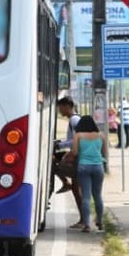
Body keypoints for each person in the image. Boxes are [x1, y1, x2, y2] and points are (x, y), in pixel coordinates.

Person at [70, 115, 108, 232]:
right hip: (98, 167)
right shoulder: (101, 136)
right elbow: (104, 153)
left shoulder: (78, 136)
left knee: (86, 196)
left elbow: (75, 152)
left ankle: (86, 224)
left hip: (83, 167)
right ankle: (100, 221)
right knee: (97, 195)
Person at [54, 96, 85, 225]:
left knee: (77, 190)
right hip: (77, 155)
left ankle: (84, 220)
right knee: (76, 190)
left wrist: (60, 146)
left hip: (79, 156)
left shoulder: (74, 120)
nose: (59, 110)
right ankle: (84, 219)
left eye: (60, 107)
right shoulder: (74, 120)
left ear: (67, 106)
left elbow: (78, 139)